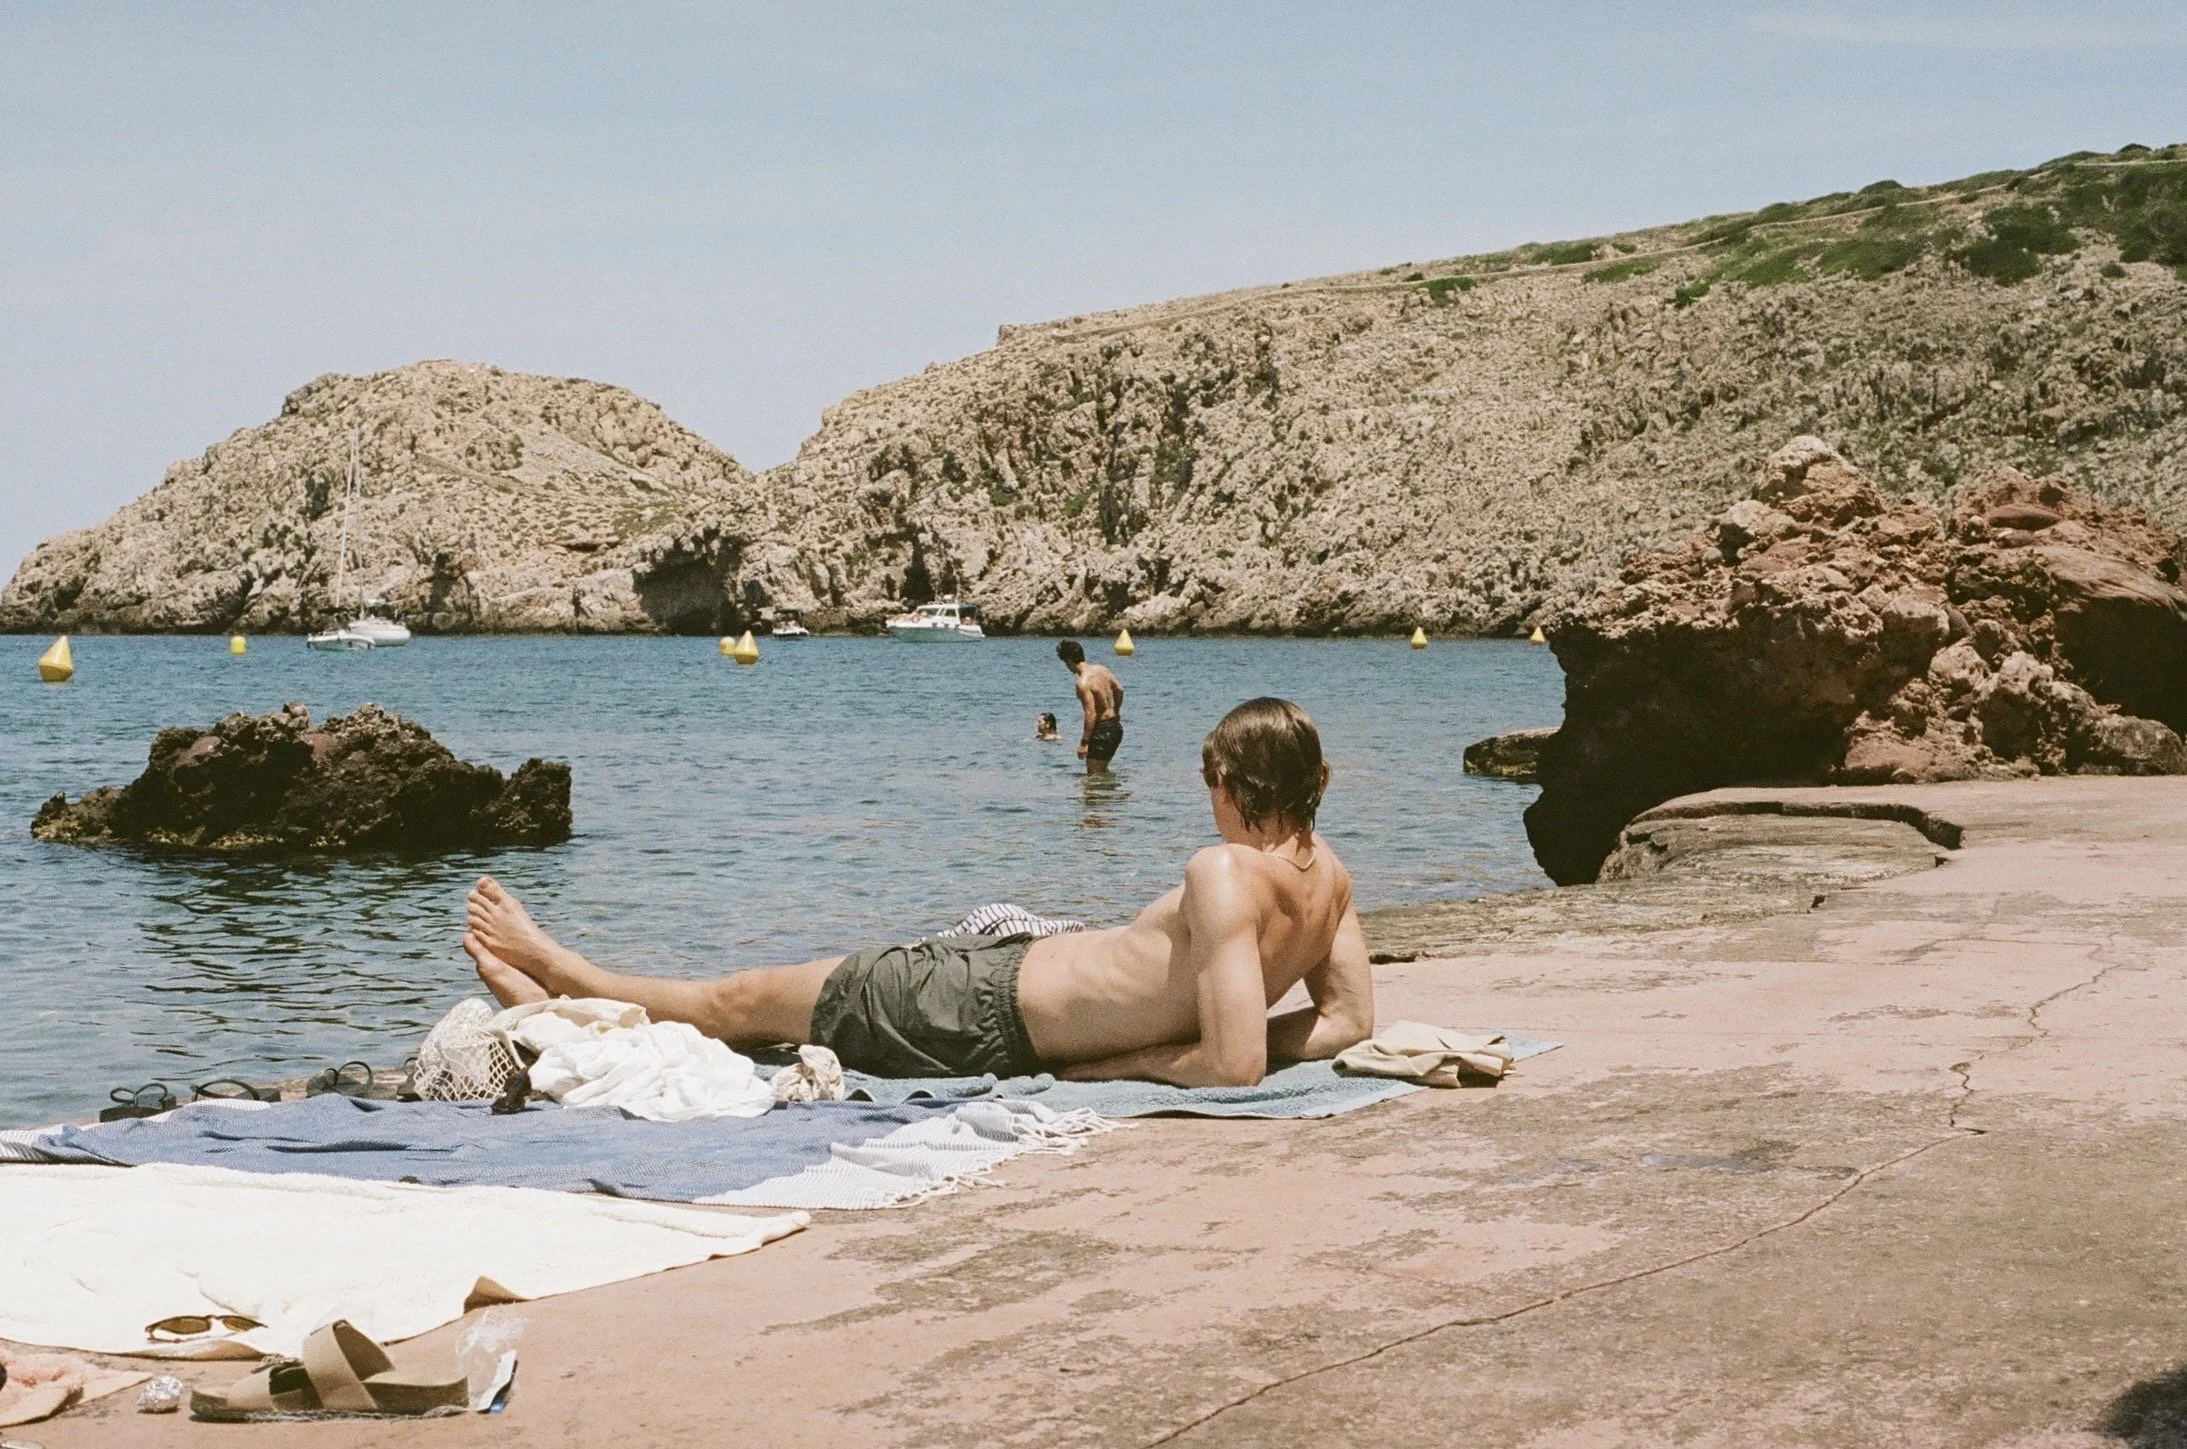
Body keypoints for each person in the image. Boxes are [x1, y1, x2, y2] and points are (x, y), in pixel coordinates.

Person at [463, 698, 1372, 1087]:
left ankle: (560, 977)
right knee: (761, 1017)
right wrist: (1226, 1030)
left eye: (1210, 783)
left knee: (741, 1005)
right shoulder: (1327, 876)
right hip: (991, 978)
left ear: (1235, 786)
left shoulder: (1220, 873)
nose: (1206, 801)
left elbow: (1233, 1067)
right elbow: (1345, 1023)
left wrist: (1116, 1065)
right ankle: (566, 1006)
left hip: (971, 1011)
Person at [1057, 639, 1124, 774]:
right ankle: (1116, 793)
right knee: (1102, 773)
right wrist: (1116, 710)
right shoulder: (1102, 670)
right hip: (1116, 728)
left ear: (1069, 661)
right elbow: (1119, 689)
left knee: (1093, 779)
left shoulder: (1082, 683)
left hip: (1102, 731)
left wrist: (1084, 742)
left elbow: (1091, 713)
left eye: (1065, 663)